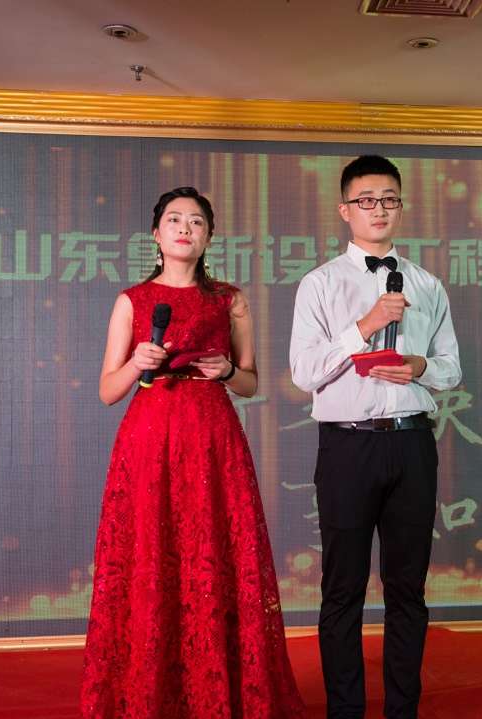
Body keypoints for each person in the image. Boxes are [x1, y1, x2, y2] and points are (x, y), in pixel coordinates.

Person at [81, 187, 305, 719]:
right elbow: (108, 391)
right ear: (156, 234)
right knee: (151, 554)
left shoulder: (229, 299)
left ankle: (219, 690)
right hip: (150, 440)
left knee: (216, 555)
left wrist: (226, 370)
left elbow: (250, 382)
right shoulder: (132, 301)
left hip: (212, 440)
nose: (185, 228)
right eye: (175, 220)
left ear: (209, 237)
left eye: (197, 221)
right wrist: (137, 363)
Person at [289, 155, 462, 718]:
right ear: (345, 210)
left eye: (389, 199)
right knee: (342, 588)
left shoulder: (427, 284)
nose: (378, 210)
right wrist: (365, 326)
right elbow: (304, 373)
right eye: (366, 200)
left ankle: (401, 710)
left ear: (401, 207)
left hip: (412, 444)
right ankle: (345, 711)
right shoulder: (320, 284)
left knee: (407, 588)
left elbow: (451, 368)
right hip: (349, 445)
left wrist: (420, 367)